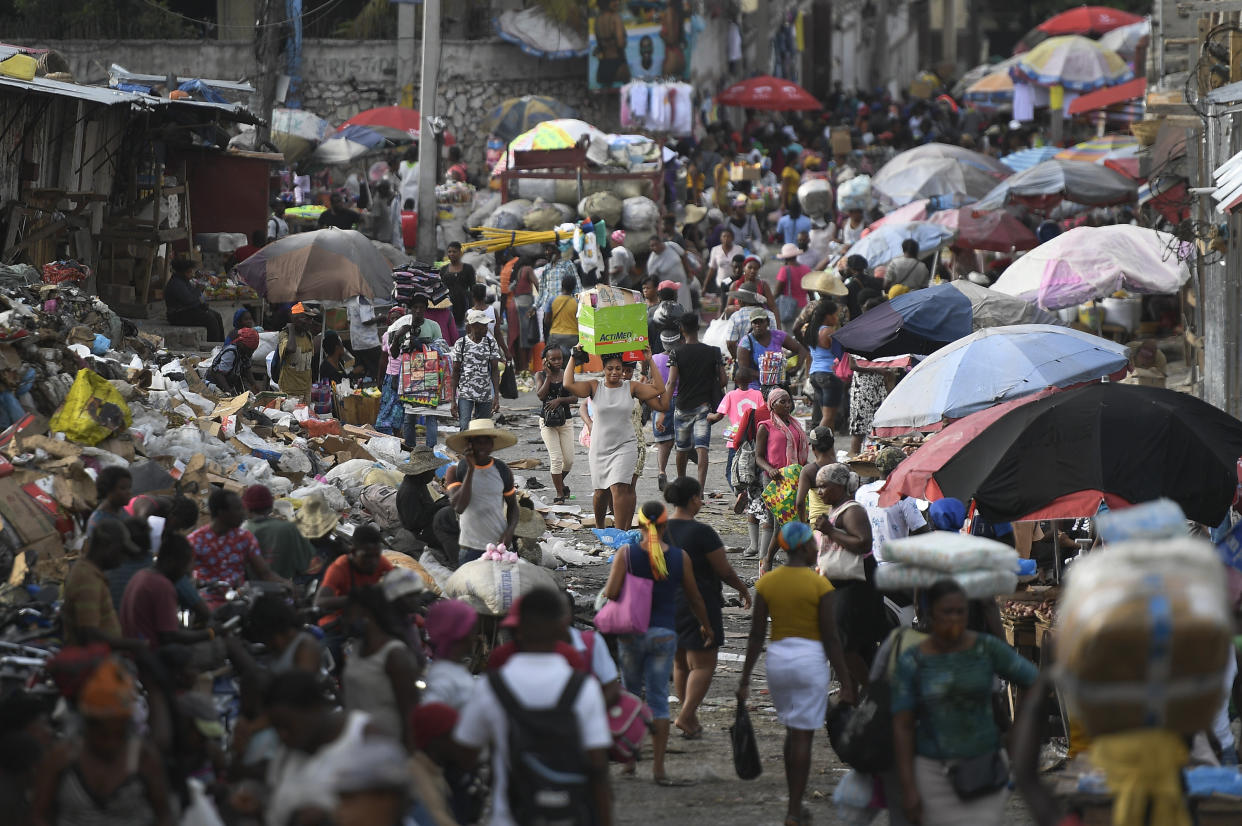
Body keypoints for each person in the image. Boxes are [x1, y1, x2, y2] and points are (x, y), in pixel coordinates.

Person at [454, 588, 614, 825]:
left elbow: (465, 755)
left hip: (509, 815)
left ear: (516, 629)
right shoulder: (583, 688)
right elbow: (598, 768)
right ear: (563, 627)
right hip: (568, 812)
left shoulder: (490, 687)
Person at [892, 580, 1038, 826]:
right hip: (931, 772)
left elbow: (1034, 681)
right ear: (929, 613)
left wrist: (1018, 731)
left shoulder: (986, 649)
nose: (954, 619)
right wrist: (908, 788)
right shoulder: (912, 660)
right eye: (946, 612)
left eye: (960, 612)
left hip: (983, 769)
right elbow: (902, 726)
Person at [739, 521, 856, 826]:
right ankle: (793, 809)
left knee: (793, 732)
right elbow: (832, 638)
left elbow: (754, 637)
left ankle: (795, 804)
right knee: (803, 736)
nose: (818, 546)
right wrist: (845, 681)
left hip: (778, 660)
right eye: (813, 543)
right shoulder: (820, 585)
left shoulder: (768, 583)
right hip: (810, 661)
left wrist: (744, 679)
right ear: (804, 547)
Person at [600, 501, 712, 785]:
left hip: (631, 634)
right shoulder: (679, 557)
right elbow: (694, 597)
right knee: (660, 701)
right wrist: (706, 626)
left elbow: (612, 593)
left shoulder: (627, 554)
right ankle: (659, 769)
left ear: (639, 525)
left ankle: (628, 763)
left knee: (631, 694)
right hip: (664, 634)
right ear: (664, 526)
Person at [30, 659, 172, 826]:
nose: (111, 743)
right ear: (87, 725)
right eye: (102, 735)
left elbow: (164, 815)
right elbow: (39, 814)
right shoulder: (62, 759)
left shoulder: (143, 759)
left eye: (119, 735)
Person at [664, 478, 750, 740]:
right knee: (703, 664)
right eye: (700, 498)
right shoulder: (701, 532)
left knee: (680, 661)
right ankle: (686, 714)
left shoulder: (660, 529)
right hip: (698, 601)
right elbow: (723, 569)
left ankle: (689, 717)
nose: (701, 502)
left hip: (668, 601)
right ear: (692, 499)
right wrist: (743, 589)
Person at [563, 350, 668, 532]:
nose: (614, 372)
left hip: (625, 445)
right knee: (600, 492)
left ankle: (620, 534)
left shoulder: (631, 387)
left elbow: (659, 389)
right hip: (599, 446)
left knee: (619, 487)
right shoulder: (594, 386)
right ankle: (600, 527)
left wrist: (649, 360)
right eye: (610, 368)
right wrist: (573, 356)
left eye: (618, 368)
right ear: (603, 369)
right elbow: (568, 384)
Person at [264, 670, 386, 826]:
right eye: (276, 728)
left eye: (287, 726)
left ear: (313, 708)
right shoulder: (287, 754)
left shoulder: (363, 736)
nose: (282, 735)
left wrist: (329, 819)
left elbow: (386, 811)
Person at [812, 462, 887, 684]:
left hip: (856, 585)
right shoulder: (836, 509)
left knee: (845, 643)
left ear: (839, 485)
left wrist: (830, 531)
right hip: (842, 584)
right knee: (854, 643)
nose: (819, 492)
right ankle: (860, 693)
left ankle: (869, 692)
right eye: (817, 487)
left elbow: (863, 543)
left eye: (823, 486)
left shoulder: (852, 510)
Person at [341, 586, 421, 749]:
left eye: (351, 614)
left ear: (368, 615)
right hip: (357, 743)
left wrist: (411, 753)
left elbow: (409, 711)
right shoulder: (356, 649)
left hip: (387, 745)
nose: (347, 620)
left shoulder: (394, 655)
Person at [119, 532, 216, 651]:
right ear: (170, 562)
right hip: (155, 653)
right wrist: (210, 633)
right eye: (184, 566)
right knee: (228, 644)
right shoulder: (162, 586)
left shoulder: (141, 575)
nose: (185, 572)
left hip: (139, 650)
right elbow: (170, 636)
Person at [444, 419, 520, 566]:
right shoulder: (456, 471)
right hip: (470, 547)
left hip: (498, 545)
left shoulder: (502, 470)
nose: (483, 447)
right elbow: (459, 507)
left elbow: (513, 507)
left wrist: (509, 532)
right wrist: (471, 470)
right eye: (478, 442)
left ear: (492, 444)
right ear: (469, 444)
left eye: (487, 442)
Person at [665, 313, 726, 491]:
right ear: (698, 328)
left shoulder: (676, 352)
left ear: (682, 330)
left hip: (683, 405)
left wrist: (662, 408)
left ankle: (681, 484)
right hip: (704, 406)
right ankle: (699, 490)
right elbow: (723, 381)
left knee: (682, 449)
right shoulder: (713, 351)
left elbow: (671, 382)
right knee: (702, 448)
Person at [62, 520, 144, 650]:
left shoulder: (88, 571)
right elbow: (89, 633)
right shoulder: (87, 578)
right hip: (95, 662)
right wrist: (133, 645)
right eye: (121, 551)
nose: (123, 559)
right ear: (107, 546)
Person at [189, 489, 288, 591]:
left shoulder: (244, 537)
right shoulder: (196, 540)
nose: (243, 513)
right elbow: (185, 579)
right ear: (222, 513)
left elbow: (265, 573)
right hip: (204, 598)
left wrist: (286, 584)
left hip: (239, 597)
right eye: (238, 509)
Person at [383, 295, 447, 449]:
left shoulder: (433, 326)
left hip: (429, 376)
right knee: (409, 415)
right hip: (408, 377)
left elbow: (442, 350)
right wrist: (399, 335)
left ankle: (430, 449)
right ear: (410, 309)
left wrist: (419, 344)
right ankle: (410, 448)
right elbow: (394, 354)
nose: (418, 311)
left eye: (421, 308)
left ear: (425, 309)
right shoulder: (401, 325)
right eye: (415, 308)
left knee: (430, 414)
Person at [755, 388, 808, 571]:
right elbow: (759, 457)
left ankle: (774, 558)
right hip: (775, 479)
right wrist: (770, 469)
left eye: (789, 401)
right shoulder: (765, 426)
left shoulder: (795, 425)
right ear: (772, 404)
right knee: (781, 521)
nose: (788, 405)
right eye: (782, 402)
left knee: (792, 520)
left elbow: (802, 453)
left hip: (794, 477)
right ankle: (768, 558)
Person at [316, 525, 394, 628]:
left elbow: (398, 581)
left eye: (376, 556)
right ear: (353, 552)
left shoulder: (380, 561)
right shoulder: (339, 568)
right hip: (342, 622)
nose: (374, 562)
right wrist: (355, 598)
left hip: (370, 617)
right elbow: (320, 601)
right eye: (367, 556)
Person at [242, 484, 316, 581]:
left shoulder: (241, 531)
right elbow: (307, 563)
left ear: (246, 508)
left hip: (247, 590)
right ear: (270, 507)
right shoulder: (289, 528)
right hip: (283, 588)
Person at [849, 297, 892, 453]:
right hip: (863, 388)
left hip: (877, 386)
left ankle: (871, 460)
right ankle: (854, 462)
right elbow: (852, 365)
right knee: (859, 429)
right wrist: (877, 370)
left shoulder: (881, 333)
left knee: (878, 428)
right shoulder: (857, 333)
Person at [535, 345, 577, 504]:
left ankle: (560, 483)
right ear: (546, 360)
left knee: (569, 460)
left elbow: (574, 398)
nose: (558, 362)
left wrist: (559, 400)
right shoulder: (540, 375)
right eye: (553, 359)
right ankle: (560, 494)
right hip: (547, 422)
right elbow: (540, 395)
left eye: (559, 358)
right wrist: (548, 376)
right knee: (556, 458)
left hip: (565, 420)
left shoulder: (567, 373)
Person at [709, 375, 766, 492]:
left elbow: (718, 416)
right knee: (753, 468)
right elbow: (763, 411)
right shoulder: (758, 394)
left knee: (732, 469)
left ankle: (739, 492)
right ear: (750, 381)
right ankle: (751, 494)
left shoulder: (730, 395)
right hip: (754, 437)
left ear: (735, 381)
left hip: (736, 438)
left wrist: (709, 416)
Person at [395, 447, 452, 561]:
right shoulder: (409, 491)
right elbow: (414, 523)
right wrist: (439, 506)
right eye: (431, 471)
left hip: (426, 526)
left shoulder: (418, 484)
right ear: (422, 472)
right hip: (418, 534)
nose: (433, 475)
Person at [422, 599, 478, 710]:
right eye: (472, 630)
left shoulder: (451, 670)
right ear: (461, 634)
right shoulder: (443, 679)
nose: (475, 637)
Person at [450, 309, 502, 430]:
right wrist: (453, 400)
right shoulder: (461, 343)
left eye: (486, 325)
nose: (486, 328)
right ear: (473, 326)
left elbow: (495, 370)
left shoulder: (490, 342)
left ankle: (478, 450)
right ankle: (465, 449)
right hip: (465, 393)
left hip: (485, 394)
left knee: (482, 430)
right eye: (483, 326)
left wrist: (496, 397)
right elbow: (455, 372)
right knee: (464, 428)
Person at [737, 311, 807, 392]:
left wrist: (797, 367)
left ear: (767, 323)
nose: (758, 325)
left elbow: (802, 348)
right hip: (756, 388)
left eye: (761, 322)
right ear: (751, 324)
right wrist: (767, 376)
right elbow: (744, 370)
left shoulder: (778, 336)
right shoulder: (746, 342)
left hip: (779, 386)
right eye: (755, 322)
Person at [802, 298, 844, 429]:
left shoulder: (811, 330)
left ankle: (826, 446)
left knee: (826, 416)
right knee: (828, 417)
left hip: (815, 374)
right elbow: (840, 353)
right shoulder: (829, 332)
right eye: (835, 315)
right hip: (828, 374)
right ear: (828, 316)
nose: (837, 318)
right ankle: (817, 444)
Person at [164, 257, 224, 341]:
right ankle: (213, 346)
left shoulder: (184, 281)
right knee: (211, 320)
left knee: (217, 315)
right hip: (177, 315)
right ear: (184, 272)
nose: (192, 274)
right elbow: (190, 301)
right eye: (190, 271)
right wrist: (198, 290)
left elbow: (193, 299)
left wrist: (202, 305)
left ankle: (222, 344)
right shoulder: (176, 284)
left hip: (187, 311)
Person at [277, 302, 320, 402]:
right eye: (306, 318)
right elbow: (291, 348)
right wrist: (291, 329)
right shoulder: (285, 335)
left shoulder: (307, 335)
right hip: (290, 392)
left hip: (306, 390)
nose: (310, 322)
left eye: (311, 319)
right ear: (295, 319)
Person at [206, 326, 259, 394]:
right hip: (216, 383)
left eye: (253, 350)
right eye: (249, 350)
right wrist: (229, 391)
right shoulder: (231, 353)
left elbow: (247, 370)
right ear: (241, 344)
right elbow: (219, 374)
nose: (251, 353)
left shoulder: (246, 354)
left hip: (230, 381)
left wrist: (254, 384)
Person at [645, 235, 692, 310]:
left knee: (686, 307)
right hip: (669, 292)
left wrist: (689, 272)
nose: (654, 247)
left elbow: (683, 256)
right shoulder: (652, 262)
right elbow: (653, 280)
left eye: (655, 244)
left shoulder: (671, 246)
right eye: (651, 246)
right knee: (675, 310)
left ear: (660, 243)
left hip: (682, 283)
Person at [774, 242, 812, 328]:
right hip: (804, 306)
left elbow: (777, 292)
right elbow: (811, 292)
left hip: (788, 307)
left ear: (785, 258)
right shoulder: (806, 269)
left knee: (789, 334)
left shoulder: (784, 270)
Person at [346, 295, 383, 381]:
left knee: (364, 371)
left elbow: (349, 320)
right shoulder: (363, 300)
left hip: (357, 343)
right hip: (369, 342)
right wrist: (379, 318)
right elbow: (366, 320)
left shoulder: (350, 300)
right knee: (378, 371)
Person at [440, 242, 476, 331]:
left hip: (464, 303)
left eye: (454, 251)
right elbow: (440, 289)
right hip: (448, 305)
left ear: (460, 253)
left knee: (463, 329)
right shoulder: (444, 269)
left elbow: (473, 288)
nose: (451, 254)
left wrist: (474, 308)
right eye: (449, 252)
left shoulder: (468, 268)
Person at [88, 466, 132, 535]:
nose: (129, 492)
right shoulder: (100, 522)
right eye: (123, 488)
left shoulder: (120, 510)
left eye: (129, 488)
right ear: (108, 489)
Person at [544, 273, 581, 355]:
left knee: (555, 362)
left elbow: (546, 320)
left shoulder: (553, 300)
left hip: (555, 336)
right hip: (573, 337)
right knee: (570, 363)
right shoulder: (577, 302)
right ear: (573, 287)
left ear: (562, 285)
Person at [706, 227, 739, 292]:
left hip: (735, 283)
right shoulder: (715, 250)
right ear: (720, 238)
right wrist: (705, 285)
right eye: (724, 236)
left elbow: (742, 267)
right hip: (720, 283)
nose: (726, 239)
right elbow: (712, 269)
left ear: (732, 238)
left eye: (728, 236)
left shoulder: (738, 249)